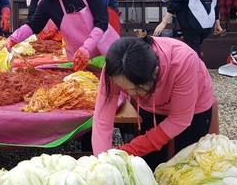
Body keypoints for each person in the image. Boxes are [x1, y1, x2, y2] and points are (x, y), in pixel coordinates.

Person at [92, 35, 215, 171]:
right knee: (150, 163)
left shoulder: (183, 60)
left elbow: (180, 119)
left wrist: (132, 148)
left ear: (155, 72)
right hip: (152, 106)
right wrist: (102, 162)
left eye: (135, 88)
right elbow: (102, 120)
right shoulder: (115, 69)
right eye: (124, 88)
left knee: (186, 163)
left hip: (193, 108)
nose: (131, 94)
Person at [6, 0, 120, 71]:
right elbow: (33, 25)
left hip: (105, 49)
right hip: (78, 55)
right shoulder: (49, 1)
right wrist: (14, 38)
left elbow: (102, 22)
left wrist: (87, 48)